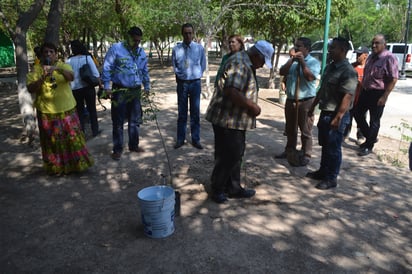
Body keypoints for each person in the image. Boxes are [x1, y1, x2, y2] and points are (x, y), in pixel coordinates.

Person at [205, 40, 274, 203]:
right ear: (257, 55)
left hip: (233, 119)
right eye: (263, 61)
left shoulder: (243, 60)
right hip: (228, 119)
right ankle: (218, 188)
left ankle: (233, 188)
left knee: (234, 154)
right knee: (230, 154)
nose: (262, 65)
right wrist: (253, 107)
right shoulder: (240, 64)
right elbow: (231, 91)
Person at [27, 42, 94, 175]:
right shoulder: (36, 70)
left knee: (73, 139)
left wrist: (57, 70)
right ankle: (56, 168)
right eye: (45, 52)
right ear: (41, 55)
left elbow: (71, 77)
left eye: (51, 52)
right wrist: (42, 78)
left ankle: (76, 166)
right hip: (47, 113)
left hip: (66, 110)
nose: (48, 54)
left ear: (56, 54)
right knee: (52, 141)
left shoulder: (63, 65)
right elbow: (30, 89)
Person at [306, 37, 358, 190]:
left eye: (333, 47)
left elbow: (347, 96)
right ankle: (323, 171)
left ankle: (331, 178)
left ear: (342, 50)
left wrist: (339, 117)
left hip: (336, 115)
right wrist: (313, 106)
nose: (330, 50)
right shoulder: (330, 67)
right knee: (325, 145)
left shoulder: (348, 71)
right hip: (326, 112)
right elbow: (322, 90)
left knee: (334, 147)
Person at [101, 26, 150, 160]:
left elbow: (144, 70)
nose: (136, 43)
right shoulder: (116, 49)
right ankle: (117, 149)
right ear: (128, 38)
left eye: (139, 41)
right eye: (134, 40)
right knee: (118, 120)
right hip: (120, 90)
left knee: (135, 119)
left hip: (135, 90)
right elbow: (107, 67)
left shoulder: (141, 52)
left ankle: (134, 145)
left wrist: (147, 86)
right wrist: (106, 86)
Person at [275, 37, 321, 166]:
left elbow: (310, 77)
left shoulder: (313, 62)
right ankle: (289, 150)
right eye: (295, 46)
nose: (295, 49)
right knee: (290, 129)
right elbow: (282, 72)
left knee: (305, 130)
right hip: (291, 100)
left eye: (299, 46)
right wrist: (292, 60)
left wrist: (303, 63)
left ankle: (306, 153)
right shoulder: (292, 61)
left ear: (306, 48)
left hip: (306, 101)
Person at [354, 34, 399, 156]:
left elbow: (394, 79)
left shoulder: (390, 58)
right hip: (366, 91)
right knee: (357, 113)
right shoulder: (371, 57)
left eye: (377, 43)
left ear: (384, 44)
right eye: (373, 43)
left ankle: (368, 145)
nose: (374, 45)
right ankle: (371, 137)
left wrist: (385, 96)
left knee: (374, 120)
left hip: (378, 93)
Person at [172, 23, 206, 149]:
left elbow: (203, 65)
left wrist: (196, 75)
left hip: (195, 83)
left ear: (193, 33)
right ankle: (180, 139)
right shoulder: (176, 49)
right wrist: (181, 76)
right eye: (185, 33)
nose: (188, 35)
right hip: (182, 84)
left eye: (190, 33)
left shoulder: (199, 48)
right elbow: (174, 65)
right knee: (182, 113)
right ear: (182, 34)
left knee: (195, 113)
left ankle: (195, 139)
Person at [67, 40, 101, 138]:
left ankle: (82, 132)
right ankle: (95, 131)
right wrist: (100, 85)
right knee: (92, 110)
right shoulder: (87, 58)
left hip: (75, 89)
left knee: (79, 111)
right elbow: (96, 73)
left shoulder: (69, 60)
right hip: (88, 88)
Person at [343, 46, 369, 143]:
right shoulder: (351, 66)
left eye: (360, 54)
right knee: (348, 116)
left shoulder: (368, 68)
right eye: (357, 54)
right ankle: (345, 134)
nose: (357, 56)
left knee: (361, 118)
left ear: (365, 55)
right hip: (351, 98)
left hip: (362, 98)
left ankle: (361, 136)